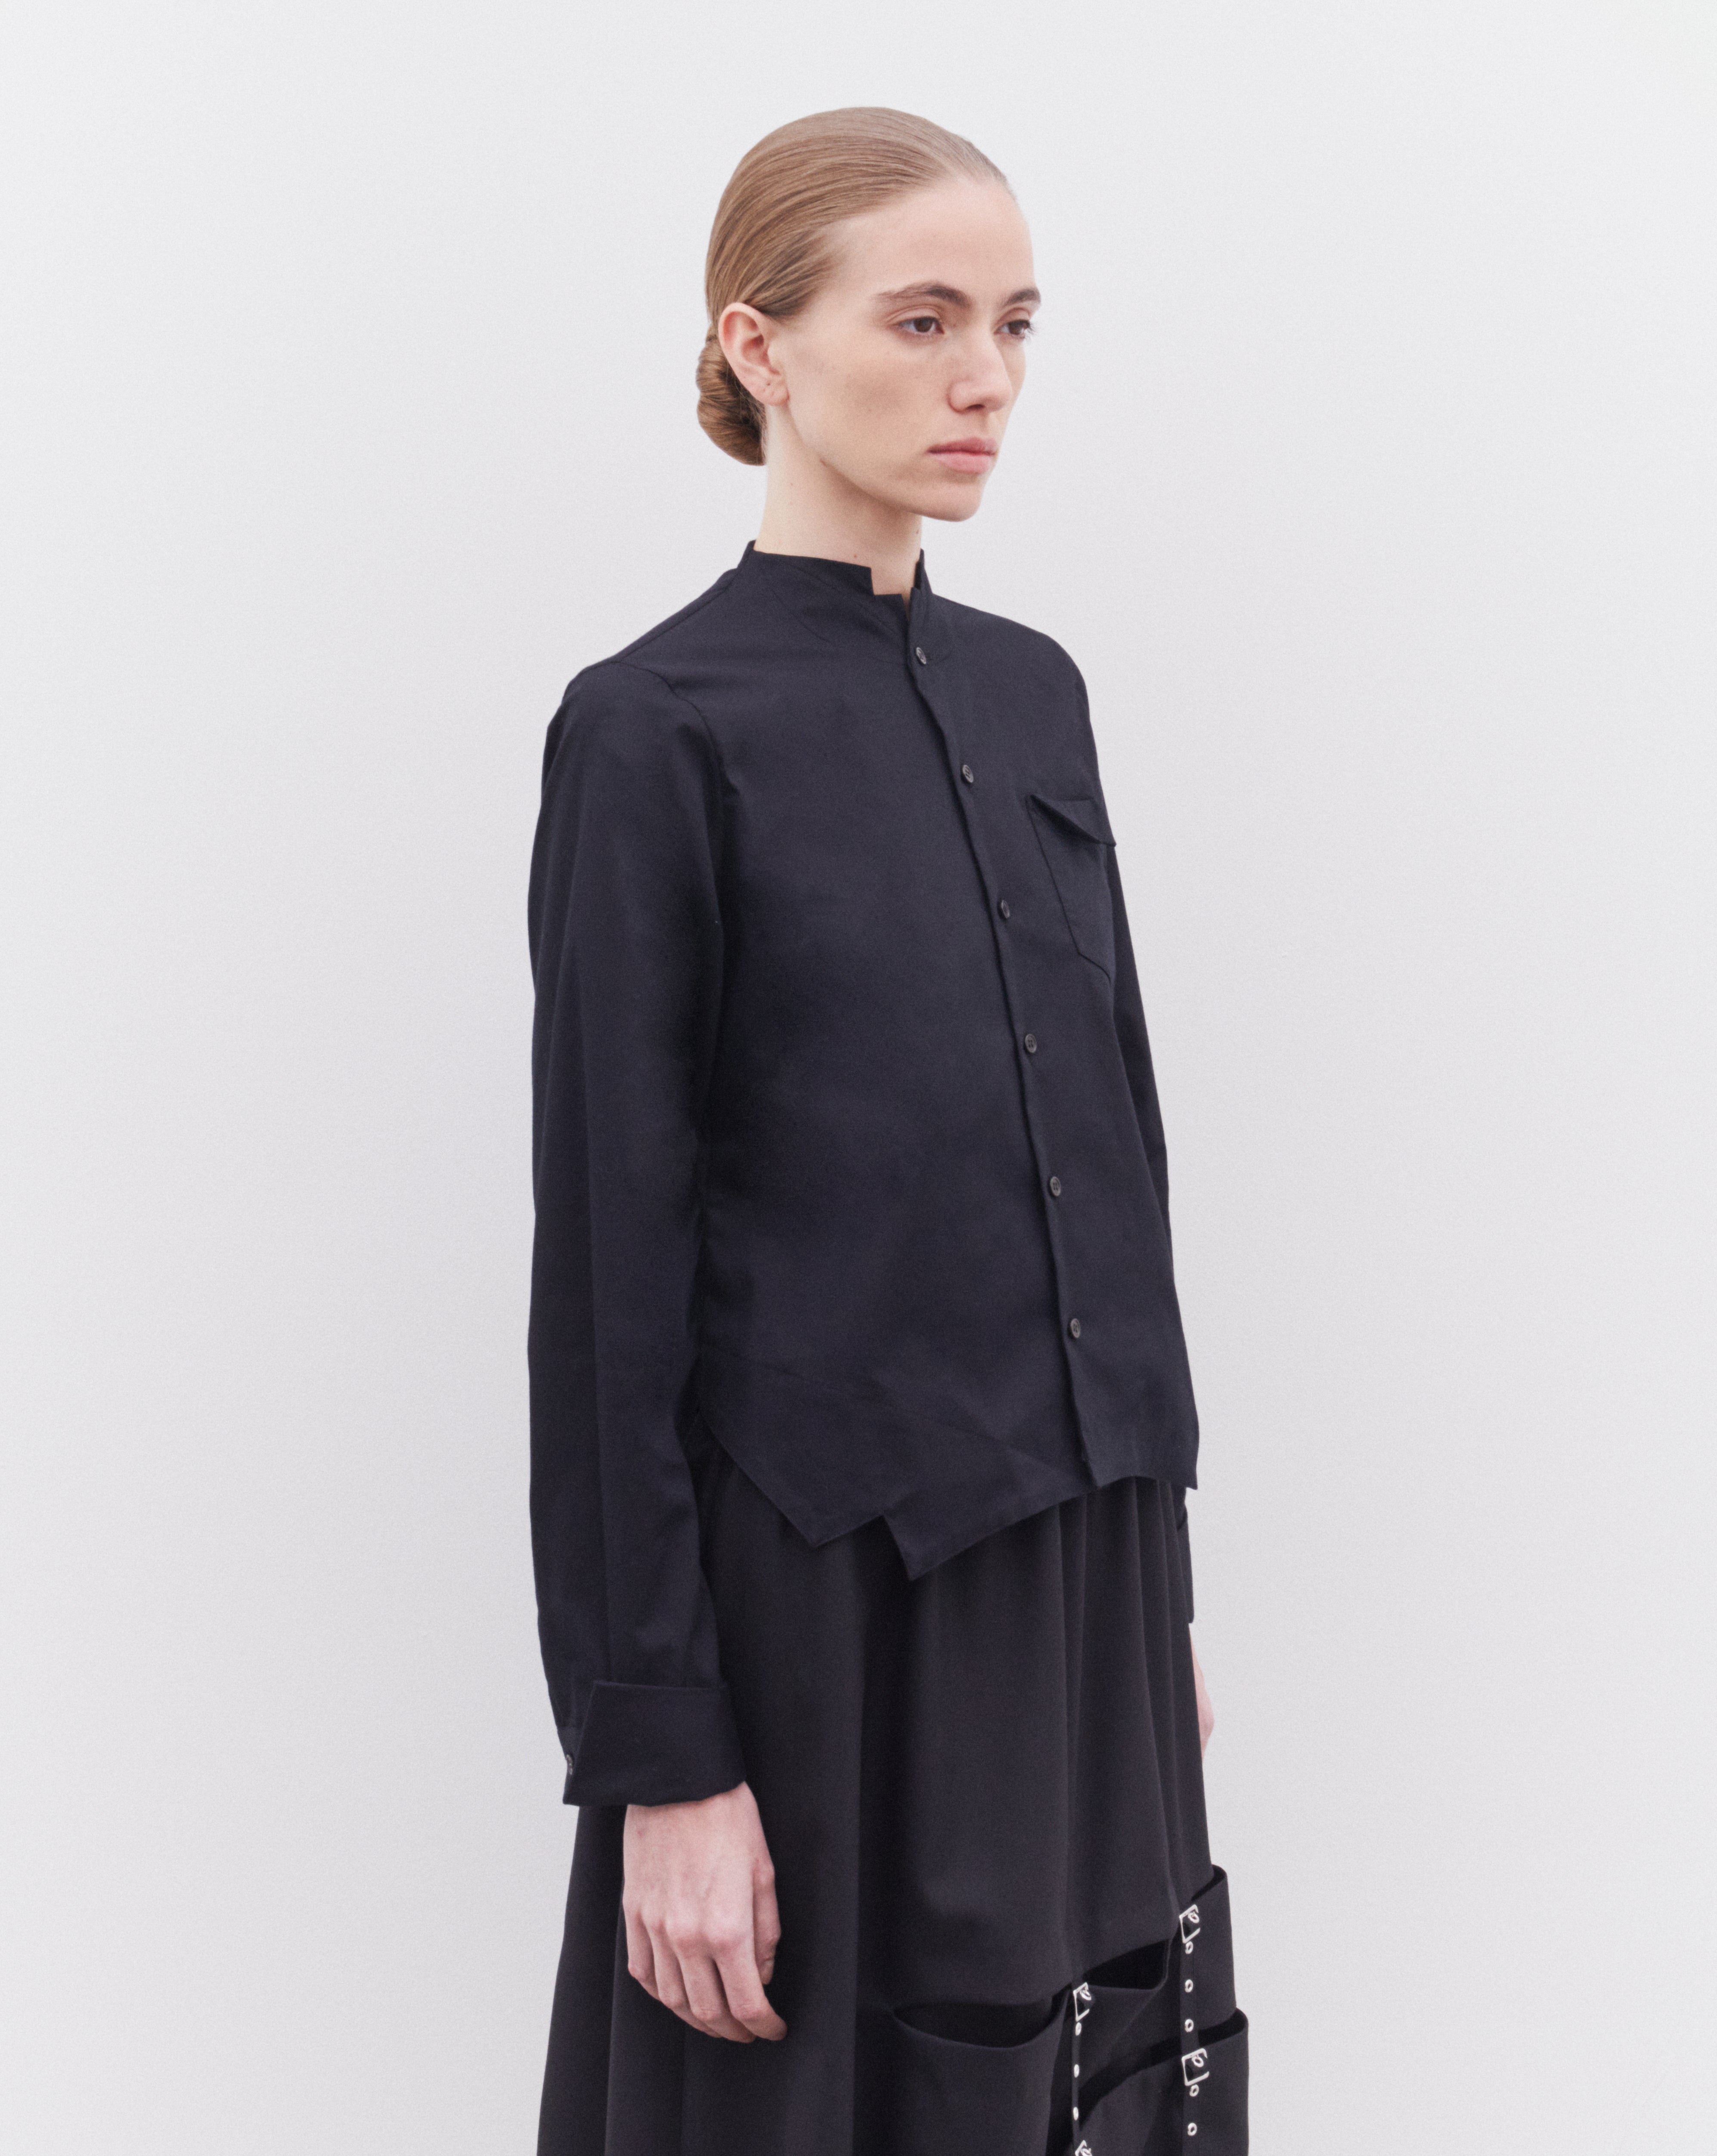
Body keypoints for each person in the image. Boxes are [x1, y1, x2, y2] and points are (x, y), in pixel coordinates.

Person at [527, 106, 1248, 2156]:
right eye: (922, 320)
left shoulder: (1034, 696)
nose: (983, 378)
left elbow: (1114, 1158)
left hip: (1082, 1571)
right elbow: (611, 1284)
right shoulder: (655, 728)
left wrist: (1165, 1603)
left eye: (1013, 323)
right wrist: (661, 1754)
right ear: (757, 346)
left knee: (1097, 2094)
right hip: (831, 1596)